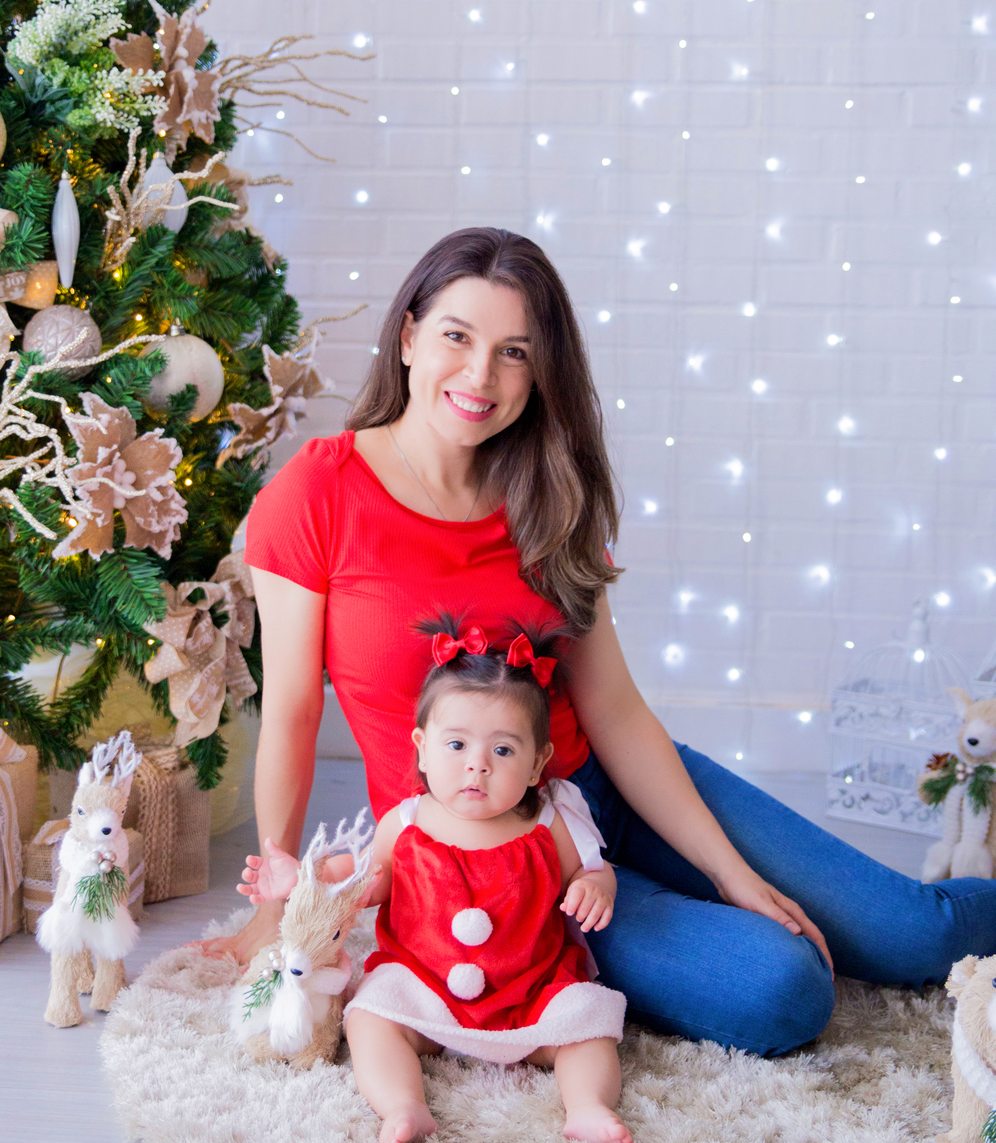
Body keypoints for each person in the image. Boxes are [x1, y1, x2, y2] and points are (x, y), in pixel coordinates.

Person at [199, 226, 996, 1057]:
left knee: (914, 933)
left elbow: (612, 709)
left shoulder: (545, 491)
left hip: (602, 788)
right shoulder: (316, 494)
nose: (481, 376)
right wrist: (275, 903)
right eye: (456, 337)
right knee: (782, 993)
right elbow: (291, 709)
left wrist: (732, 872)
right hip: (495, 850)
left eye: (515, 351)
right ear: (407, 336)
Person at [240, 621, 631, 1143]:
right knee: (371, 1018)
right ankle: (403, 1104)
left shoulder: (549, 822)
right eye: (457, 744)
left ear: (539, 762)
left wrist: (594, 886)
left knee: (589, 1024)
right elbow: (366, 882)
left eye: (504, 751)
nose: (477, 764)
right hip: (427, 990)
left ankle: (588, 1107)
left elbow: (593, 869)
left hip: (530, 991)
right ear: (422, 749)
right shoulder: (406, 822)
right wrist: (306, 878)